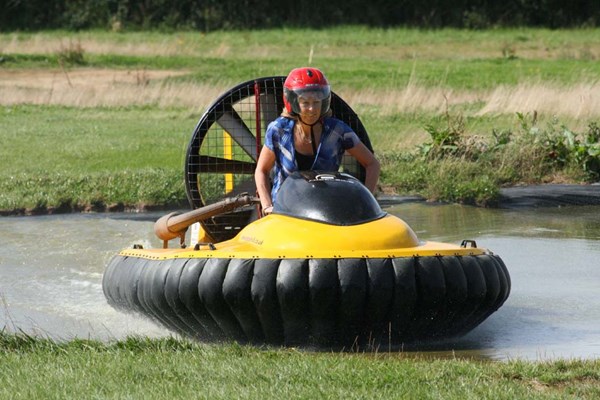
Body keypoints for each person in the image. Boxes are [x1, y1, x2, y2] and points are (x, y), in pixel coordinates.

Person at [255, 67, 380, 215]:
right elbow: (261, 170)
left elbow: (372, 164)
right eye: (305, 103)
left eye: (316, 102)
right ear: (292, 102)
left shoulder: (338, 131)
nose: (312, 109)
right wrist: (267, 206)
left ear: (324, 102)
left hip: (326, 211)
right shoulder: (278, 130)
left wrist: (366, 201)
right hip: (285, 211)